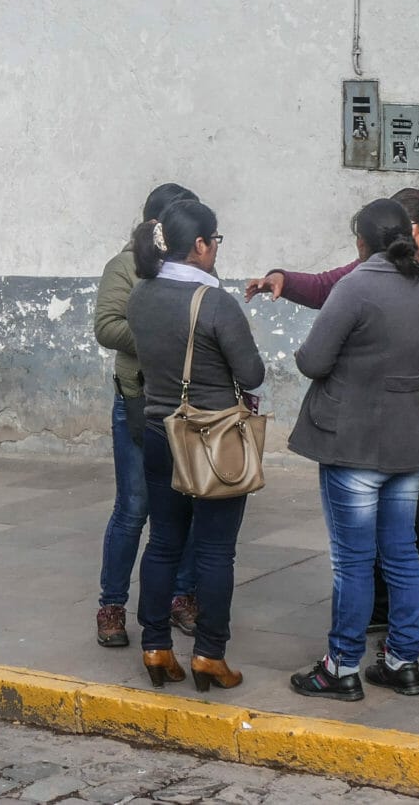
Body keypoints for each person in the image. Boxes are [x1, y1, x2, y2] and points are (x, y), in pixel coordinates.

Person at [245, 188, 419, 645]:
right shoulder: (370, 273)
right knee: (391, 534)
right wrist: (283, 278)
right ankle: (389, 621)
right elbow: (326, 286)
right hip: (389, 416)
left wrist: (418, 376)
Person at [286, 199, 419, 703]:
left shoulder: (354, 286)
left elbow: (313, 361)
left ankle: (341, 666)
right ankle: (403, 662)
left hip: (353, 439)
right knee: (401, 554)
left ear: (361, 241)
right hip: (407, 438)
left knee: (353, 562)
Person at [128, 198, 264, 693]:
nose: (216, 251)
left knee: (163, 541)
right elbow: (252, 373)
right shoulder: (215, 303)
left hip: (160, 431)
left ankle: (156, 645)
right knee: (214, 551)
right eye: (215, 242)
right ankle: (209, 654)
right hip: (213, 438)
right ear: (200, 245)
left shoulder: (142, 295)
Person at [94, 182, 203, 649]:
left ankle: (181, 597)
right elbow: (107, 326)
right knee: (134, 508)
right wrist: (162, 338)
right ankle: (112, 605)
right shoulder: (124, 266)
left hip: (190, 403)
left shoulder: (194, 268)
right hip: (139, 400)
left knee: (189, 506)